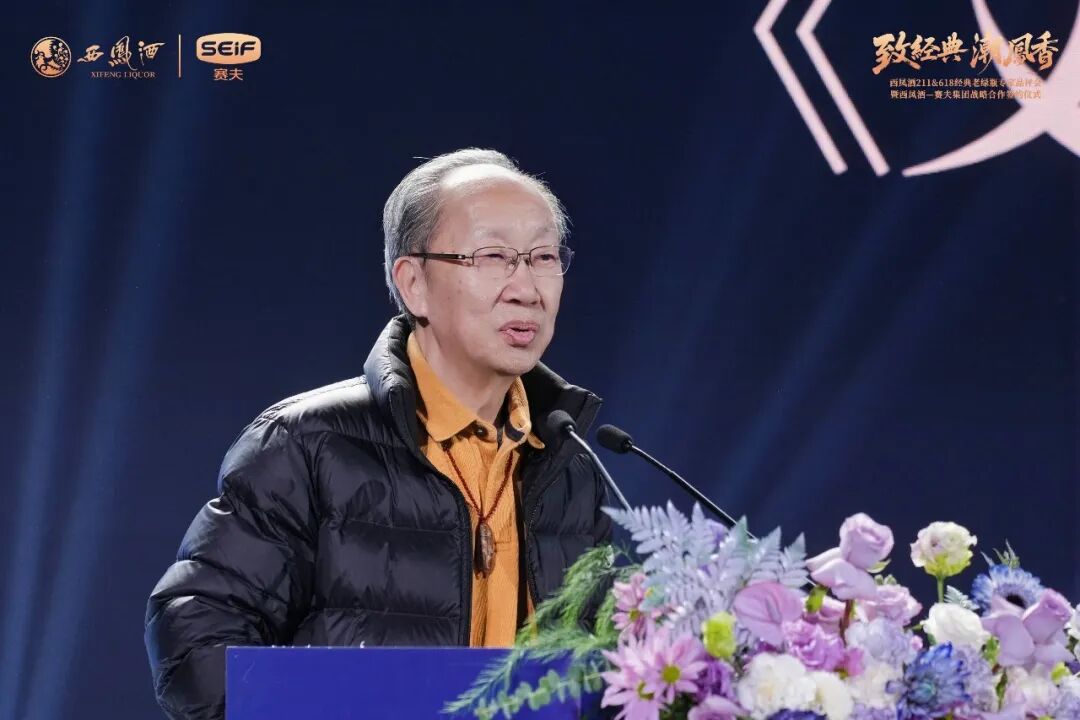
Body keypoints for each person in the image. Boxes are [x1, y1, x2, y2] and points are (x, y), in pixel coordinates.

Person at [144, 148, 613, 719]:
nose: (527, 288)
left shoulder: (569, 464)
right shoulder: (306, 444)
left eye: (543, 257)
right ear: (413, 283)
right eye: (493, 257)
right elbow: (193, 648)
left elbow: (607, 673)